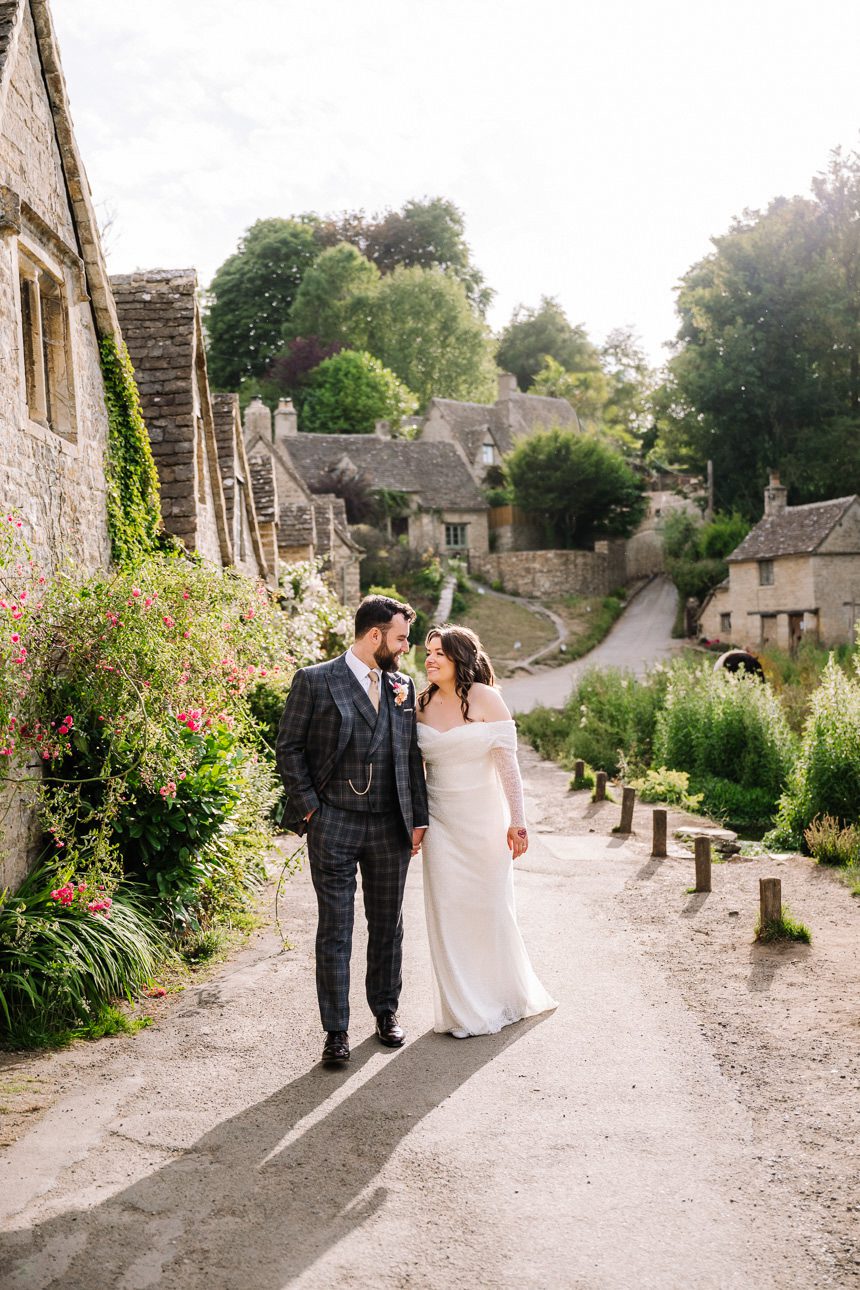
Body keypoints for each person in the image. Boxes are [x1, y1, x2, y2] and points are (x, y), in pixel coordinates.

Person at [276, 594, 429, 1066]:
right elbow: (288, 748)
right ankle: (336, 1032)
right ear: (375, 635)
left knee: (389, 925)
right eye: (401, 638)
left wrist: (417, 818)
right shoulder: (316, 680)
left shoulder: (402, 686)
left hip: (390, 825)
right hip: (333, 822)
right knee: (336, 929)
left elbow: (410, 757)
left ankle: (386, 1012)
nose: (406, 648)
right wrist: (310, 812)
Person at [416, 624, 556, 1038]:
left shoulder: (486, 699)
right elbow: (413, 769)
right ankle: (462, 1009)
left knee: (490, 910)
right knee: (448, 914)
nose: (430, 659)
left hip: (484, 823)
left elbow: (508, 767)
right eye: (427, 652)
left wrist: (519, 821)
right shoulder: (419, 704)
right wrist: (414, 822)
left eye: (439, 652)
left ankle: (501, 997)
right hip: (440, 823)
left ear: (460, 657)